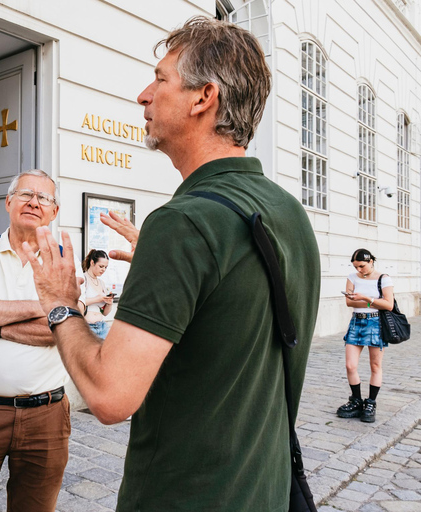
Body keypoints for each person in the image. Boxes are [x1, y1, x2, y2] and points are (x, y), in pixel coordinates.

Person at [23, 16, 320, 511]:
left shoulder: (184, 223)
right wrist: (173, 273)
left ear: (204, 97)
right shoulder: (286, 209)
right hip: (262, 491)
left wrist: (60, 305)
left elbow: (110, 395)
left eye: (160, 79)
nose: (144, 94)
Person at [0, 169, 84, 512]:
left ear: (54, 211)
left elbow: (61, 331)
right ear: (8, 202)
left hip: (47, 416)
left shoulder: (64, 263)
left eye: (44, 198)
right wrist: (44, 307)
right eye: (25, 194)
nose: (34, 202)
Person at [337, 248, 392, 423]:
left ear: (370, 262)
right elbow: (348, 302)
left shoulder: (384, 278)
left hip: (376, 323)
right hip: (356, 322)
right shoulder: (352, 277)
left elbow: (388, 304)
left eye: (361, 266)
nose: (358, 270)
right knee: (350, 365)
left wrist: (363, 298)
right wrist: (374, 301)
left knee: (375, 366)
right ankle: (356, 400)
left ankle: (371, 403)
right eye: (355, 267)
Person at [82, 249, 113, 339]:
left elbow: (105, 313)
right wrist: (98, 299)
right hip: (87, 326)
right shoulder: (83, 279)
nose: (103, 270)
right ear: (92, 263)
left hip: (102, 326)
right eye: (101, 266)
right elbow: (77, 303)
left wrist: (109, 303)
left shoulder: (101, 283)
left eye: (105, 267)